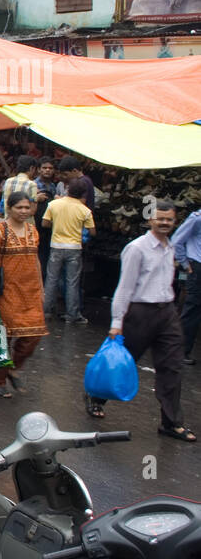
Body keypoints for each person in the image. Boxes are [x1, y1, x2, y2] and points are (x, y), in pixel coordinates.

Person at [86, 203, 194, 442]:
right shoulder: (136, 249)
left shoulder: (171, 247)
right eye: (160, 219)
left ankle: (171, 422)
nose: (165, 223)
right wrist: (116, 322)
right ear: (150, 220)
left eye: (169, 220)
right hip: (139, 313)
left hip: (167, 313)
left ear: (175, 222)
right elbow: (124, 288)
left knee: (172, 367)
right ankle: (95, 397)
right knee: (123, 362)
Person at [0, 193, 48, 398]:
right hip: (6, 291)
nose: (24, 211)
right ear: (9, 208)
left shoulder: (32, 230)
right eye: (19, 207)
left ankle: (14, 367)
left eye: (27, 208)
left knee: (34, 335)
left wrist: (41, 287)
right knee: (4, 337)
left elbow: (35, 259)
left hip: (30, 291)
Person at [42, 182, 95, 324]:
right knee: (72, 282)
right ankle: (72, 314)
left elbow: (45, 223)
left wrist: (57, 224)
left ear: (67, 190)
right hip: (74, 248)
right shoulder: (85, 210)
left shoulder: (54, 204)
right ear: (82, 194)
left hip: (56, 246)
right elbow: (92, 231)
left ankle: (46, 311)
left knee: (51, 279)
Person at [172, 204, 201, 364]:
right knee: (192, 310)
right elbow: (177, 240)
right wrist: (185, 262)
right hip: (197, 267)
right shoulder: (197, 218)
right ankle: (180, 351)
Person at [34, 157, 60, 276]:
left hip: (49, 225)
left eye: (50, 168)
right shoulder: (34, 185)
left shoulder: (53, 187)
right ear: (39, 169)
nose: (47, 170)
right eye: (44, 168)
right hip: (36, 224)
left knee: (45, 255)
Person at [0, 155, 38, 222]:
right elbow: (32, 211)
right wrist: (37, 199)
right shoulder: (31, 184)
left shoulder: (8, 181)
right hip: (24, 226)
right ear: (31, 168)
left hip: (8, 224)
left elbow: (1, 208)